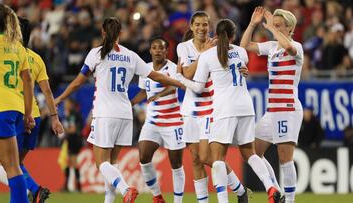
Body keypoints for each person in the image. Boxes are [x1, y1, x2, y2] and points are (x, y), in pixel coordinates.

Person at [55, 17, 184, 203]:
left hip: (105, 113)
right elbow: (156, 76)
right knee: (112, 163)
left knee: (101, 163)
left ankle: (125, 190)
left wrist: (59, 98)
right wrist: (179, 82)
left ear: (103, 32)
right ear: (120, 34)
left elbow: (77, 83)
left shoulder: (96, 53)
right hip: (125, 114)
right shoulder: (130, 55)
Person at [177, 18, 281, 203]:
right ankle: (270, 186)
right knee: (249, 152)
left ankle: (225, 200)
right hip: (246, 106)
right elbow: (239, 65)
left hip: (223, 108)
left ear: (215, 34)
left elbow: (198, 86)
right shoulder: (241, 52)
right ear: (233, 35)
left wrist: (179, 77)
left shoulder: (209, 55)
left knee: (216, 158)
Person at [176, 11, 249, 203]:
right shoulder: (183, 47)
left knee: (208, 156)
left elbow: (189, 75)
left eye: (205, 25)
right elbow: (188, 73)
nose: (201, 28)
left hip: (211, 107)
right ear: (191, 27)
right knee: (195, 159)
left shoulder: (217, 44)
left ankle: (239, 190)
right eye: (198, 24)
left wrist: (242, 68)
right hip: (191, 107)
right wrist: (203, 55)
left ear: (209, 27)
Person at [0, 16, 65, 203]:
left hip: (11, 114)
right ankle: (30, 192)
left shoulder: (5, 52)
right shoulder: (36, 58)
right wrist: (55, 117)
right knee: (15, 165)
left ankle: (31, 191)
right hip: (35, 117)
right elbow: (47, 91)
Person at [240, 7, 304, 203]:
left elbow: (290, 48)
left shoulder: (296, 47)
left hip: (288, 108)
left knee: (285, 158)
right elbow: (244, 46)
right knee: (252, 151)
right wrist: (252, 24)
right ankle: (276, 191)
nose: (273, 28)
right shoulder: (271, 47)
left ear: (290, 28)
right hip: (272, 111)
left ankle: (290, 200)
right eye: (273, 25)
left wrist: (271, 28)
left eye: (278, 26)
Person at [130, 36, 185, 203]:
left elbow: (175, 84)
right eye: (155, 47)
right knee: (143, 157)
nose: (158, 50)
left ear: (166, 51)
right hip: (152, 122)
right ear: (150, 50)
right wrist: (131, 103)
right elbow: (143, 92)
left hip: (173, 121)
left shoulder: (174, 67)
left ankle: (177, 201)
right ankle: (157, 196)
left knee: (176, 163)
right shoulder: (145, 69)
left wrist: (159, 94)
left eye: (161, 48)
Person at [0, 4, 35, 203]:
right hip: (13, 108)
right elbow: (27, 81)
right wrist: (28, 114)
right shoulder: (17, 46)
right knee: (11, 166)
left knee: (11, 167)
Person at [61, 98, 83, 192]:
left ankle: (78, 186)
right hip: (71, 140)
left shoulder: (73, 114)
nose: (65, 105)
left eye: (66, 103)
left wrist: (63, 131)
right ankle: (68, 186)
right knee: (69, 162)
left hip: (74, 140)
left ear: (71, 104)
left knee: (73, 161)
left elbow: (73, 129)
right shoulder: (69, 114)